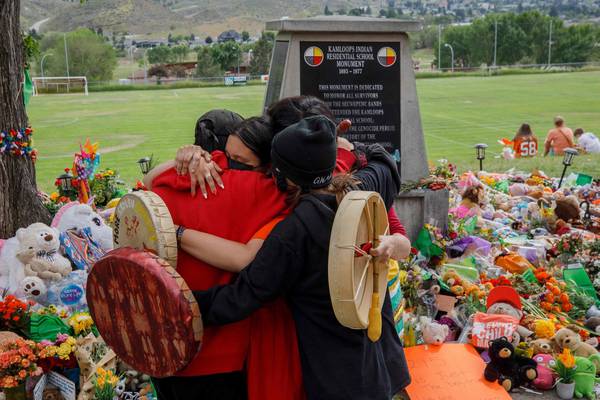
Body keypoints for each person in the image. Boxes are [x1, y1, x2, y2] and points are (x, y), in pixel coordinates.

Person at [193, 115, 411, 400]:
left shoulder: (295, 232)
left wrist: (181, 301)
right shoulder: (358, 191)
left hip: (339, 378)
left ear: (284, 176)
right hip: (381, 361)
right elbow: (385, 165)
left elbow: (242, 296)